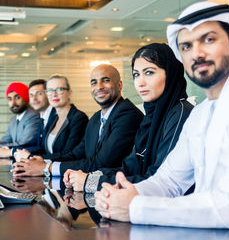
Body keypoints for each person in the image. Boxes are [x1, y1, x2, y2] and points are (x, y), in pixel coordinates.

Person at [94, 2, 229, 238]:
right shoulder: (202, 113)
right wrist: (122, 194)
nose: (196, 53)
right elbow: (169, 181)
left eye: (208, 40)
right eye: (186, 46)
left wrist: (135, 206)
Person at [64, 43, 193, 194]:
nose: (140, 82)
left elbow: (159, 179)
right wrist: (89, 176)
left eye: (149, 72)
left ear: (170, 74)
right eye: (136, 74)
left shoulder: (181, 114)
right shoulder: (151, 116)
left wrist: (90, 183)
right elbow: (130, 168)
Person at [12, 64, 144, 179]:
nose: (99, 87)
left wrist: (47, 168)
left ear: (120, 85)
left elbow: (101, 163)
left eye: (105, 80)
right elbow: (77, 154)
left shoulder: (128, 115)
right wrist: (42, 161)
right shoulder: (96, 118)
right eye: (93, 82)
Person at [0, 82, 40, 158]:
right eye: (9, 99)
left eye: (17, 97)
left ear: (26, 98)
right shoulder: (13, 120)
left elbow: (24, 143)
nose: (13, 102)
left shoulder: (33, 116)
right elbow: (5, 141)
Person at [13, 79, 56, 160]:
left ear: (48, 94)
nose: (34, 98)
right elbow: (34, 144)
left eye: (39, 94)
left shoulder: (56, 116)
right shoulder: (42, 118)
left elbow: (41, 148)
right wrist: (13, 151)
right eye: (31, 95)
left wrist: (12, 152)